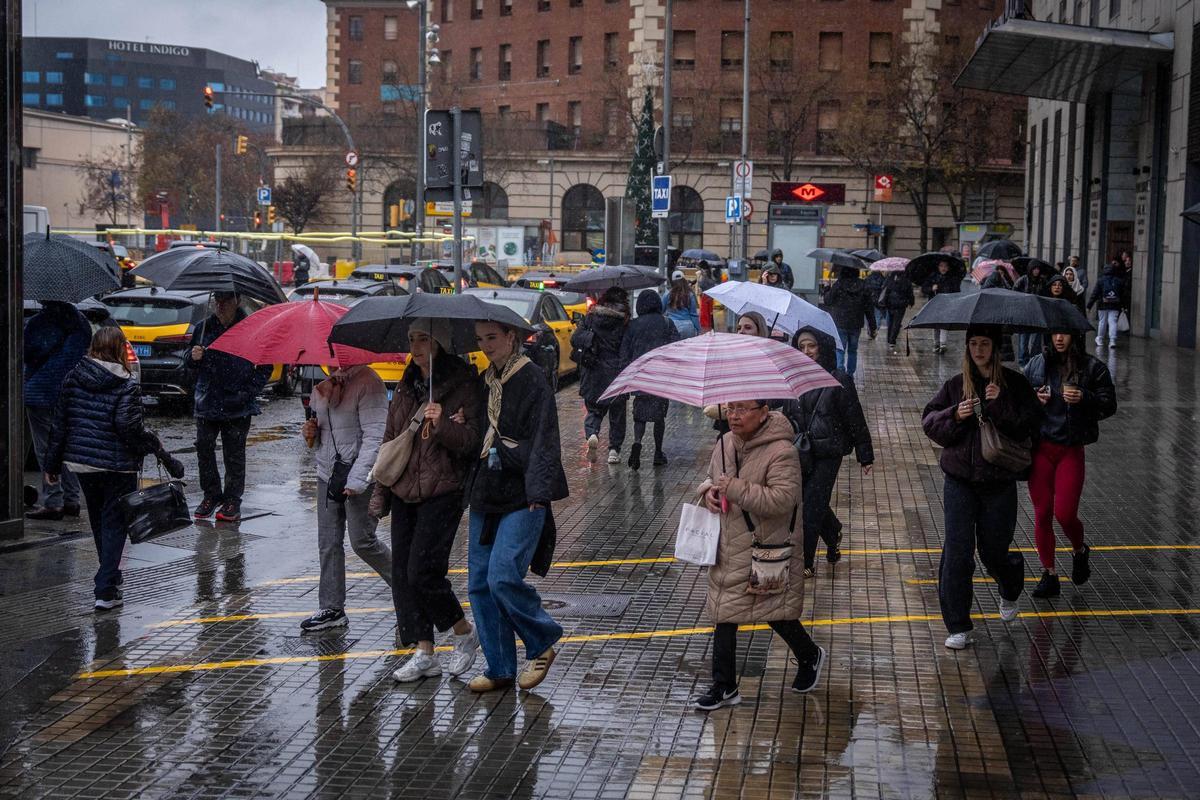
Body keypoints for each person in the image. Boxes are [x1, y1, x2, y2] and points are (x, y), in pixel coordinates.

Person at [692, 399, 824, 711]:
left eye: (743, 409)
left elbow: (783, 499)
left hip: (766, 545)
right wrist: (709, 492)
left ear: (764, 413)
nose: (735, 416)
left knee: (774, 612)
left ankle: (809, 655)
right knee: (725, 612)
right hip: (729, 543)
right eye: (731, 409)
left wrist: (734, 488)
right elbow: (712, 480)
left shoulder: (782, 451)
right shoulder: (724, 442)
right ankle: (725, 686)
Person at [372, 322, 485, 681]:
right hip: (405, 488)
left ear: (439, 344)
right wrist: (381, 493)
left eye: (423, 339)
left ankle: (464, 632)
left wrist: (442, 426)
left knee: (424, 570)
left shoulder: (464, 383)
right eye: (411, 340)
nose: (416, 347)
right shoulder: (406, 385)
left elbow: (472, 442)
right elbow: (391, 439)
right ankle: (424, 651)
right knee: (403, 574)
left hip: (443, 489)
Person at [921, 326, 1042, 649]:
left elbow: (1029, 426)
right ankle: (958, 625)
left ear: (995, 348)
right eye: (973, 344)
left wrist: (1000, 405)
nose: (978, 350)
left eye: (984, 344)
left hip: (998, 482)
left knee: (994, 551)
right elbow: (930, 424)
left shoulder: (1014, 384)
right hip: (959, 481)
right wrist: (955, 415)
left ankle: (1009, 584)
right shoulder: (956, 386)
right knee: (958, 552)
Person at [466, 320, 569, 693]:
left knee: (502, 576)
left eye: (491, 338)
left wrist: (538, 494)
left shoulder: (532, 379)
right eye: (480, 340)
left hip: (523, 493)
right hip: (486, 490)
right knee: (479, 584)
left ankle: (542, 640)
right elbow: (475, 437)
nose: (486, 346)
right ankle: (499, 667)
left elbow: (545, 440)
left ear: (511, 338)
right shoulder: (484, 382)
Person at [44, 328, 176, 610]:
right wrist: (152, 443)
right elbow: (129, 428)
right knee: (114, 524)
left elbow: (60, 424)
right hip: (116, 466)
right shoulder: (125, 382)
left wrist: (52, 465)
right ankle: (104, 589)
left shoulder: (73, 377)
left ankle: (111, 578)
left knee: (98, 520)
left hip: (82, 463)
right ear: (119, 349)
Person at [298, 362, 392, 633]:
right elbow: (325, 437)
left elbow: (375, 437)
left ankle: (406, 589)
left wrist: (357, 480)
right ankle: (331, 607)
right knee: (328, 542)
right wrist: (311, 434)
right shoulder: (325, 384)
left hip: (359, 476)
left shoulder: (368, 382)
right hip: (328, 474)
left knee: (362, 541)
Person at [1023, 331, 1116, 598]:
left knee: (1064, 514)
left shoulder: (1092, 367)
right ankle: (1049, 573)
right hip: (1041, 448)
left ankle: (1079, 550)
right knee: (1042, 513)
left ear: (1075, 336)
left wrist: (1084, 397)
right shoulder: (1037, 364)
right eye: (1054, 333)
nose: (1059, 338)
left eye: (1064, 333)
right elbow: (1018, 397)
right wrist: (1033, 397)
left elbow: (1109, 404)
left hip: (1071, 450)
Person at [783, 328, 874, 577]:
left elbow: (854, 417)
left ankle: (806, 562)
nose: (806, 352)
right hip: (801, 451)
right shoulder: (793, 377)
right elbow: (787, 415)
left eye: (811, 346)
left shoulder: (839, 378)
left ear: (822, 346)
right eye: (801, 346)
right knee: (805, 500)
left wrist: (865, 455)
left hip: (828, 452)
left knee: (811, 506)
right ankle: (832, 532)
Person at [188, 292, 272, 522]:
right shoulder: (204, 327)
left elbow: (265, 366)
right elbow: (188, 362)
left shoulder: (251, 328)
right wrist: (192, 356)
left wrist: (246, 393)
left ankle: (232, 499)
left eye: (225, 300)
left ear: (237, 301)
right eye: (217, 299)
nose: (220, 304)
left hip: (237, 404)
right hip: (208, 400)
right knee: (204, 448)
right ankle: (211, 494)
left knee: (234, 454)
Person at [23, 300, 91, 520]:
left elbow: (26, 352)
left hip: (41, 391)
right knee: (65, 447)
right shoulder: (81, 323)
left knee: (46, 449)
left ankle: (53, 501)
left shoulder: (39, 323)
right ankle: (72, 500)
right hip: (69, 391)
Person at [619, 291, 680, 469]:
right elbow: (676, 347)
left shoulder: (633, 325)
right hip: (661, 376)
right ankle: (658, 452)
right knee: (659, 416)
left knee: (639, 415)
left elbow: (625, 351)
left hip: (640, 375)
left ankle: (637, 442)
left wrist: (626, 374)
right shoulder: (667, 323)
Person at [572, 286, 629, 464]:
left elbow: (575, 339)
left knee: (594, 411)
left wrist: (591, 339)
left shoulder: (591, 318)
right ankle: (614, 450)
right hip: (617, 372)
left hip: (593, 371)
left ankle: (592, 434)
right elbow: (627, 348)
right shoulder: (625, 323)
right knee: (617, 414)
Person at [821, 266, 878, 373]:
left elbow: (828, 301)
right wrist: (873, 326)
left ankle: (840, 373)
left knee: (840, 349)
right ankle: (850, 375)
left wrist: (827, 288)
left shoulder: (839, 284)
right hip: (856, 324)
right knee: (853, 351)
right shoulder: (863, 285)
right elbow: (869, 308)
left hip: (840, 322)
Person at [920, 260, 963, 354]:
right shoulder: (932, 277)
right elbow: (924, 289)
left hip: (947, 303)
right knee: (936, 324)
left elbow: (956, 291)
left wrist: (954, 300)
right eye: (941, 266)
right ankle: (936, 343)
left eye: (945, 266)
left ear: (948, 268)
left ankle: (943, 343)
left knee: (944, 323)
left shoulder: (952, 278)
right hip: (934, 304)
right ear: (938, 267)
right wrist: (931, 288)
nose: (943, 268)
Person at [1014, 262, 1052, 366]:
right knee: (1023, 340)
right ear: (1030, 269)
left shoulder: (1043, 281)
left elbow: (1047, 294)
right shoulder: (1023, 280)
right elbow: (1014, 292)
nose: (1036, 271)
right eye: (1034, 269)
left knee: (1036, 340)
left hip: (1038, 313)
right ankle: (1023, 361)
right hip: (1024, 313)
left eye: (1038, 269)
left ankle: (1034, 362)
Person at [1087, 261, 1126, 350]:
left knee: (1102, 322)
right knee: (1113, 322)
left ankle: (1100, 339)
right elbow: (1123, 295)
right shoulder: (1119, 281)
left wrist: (1089, 305)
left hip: (1102, 305)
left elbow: (1095, 294)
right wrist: (1123, 305)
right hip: (1115, 305)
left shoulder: (1100, 280)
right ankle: (1112, 341)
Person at [877, 271, 914, 353]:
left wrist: (885, 302)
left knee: (890, 321)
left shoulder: (890, 278)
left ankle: (890, 338)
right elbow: (910, 292)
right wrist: (911, 302)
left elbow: (885, 289)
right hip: (901, 305)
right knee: (896, 323)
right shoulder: (906, 280)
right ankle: (892, 340)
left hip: (891, 304)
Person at [662, 271, 701, 338]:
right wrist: (698, 330)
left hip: (673, 326)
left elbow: (661, 310)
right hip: (688, 327)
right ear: (684, 280)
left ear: (672, 282)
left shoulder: (667, 294)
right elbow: (693, 315)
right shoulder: (690, 295)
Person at [697, 260, 719, 332]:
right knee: (709, 313)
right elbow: (713, 282)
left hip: (705, 296)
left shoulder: (704, 274)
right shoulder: (710, 272)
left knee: (704, 314)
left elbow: (702, 284)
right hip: (710, 296)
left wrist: (698, 278)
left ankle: (705, 329)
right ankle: (710, 327)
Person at [864, 268, 887, 336]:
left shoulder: (868, 278)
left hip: (869, 301)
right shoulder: (883, 279)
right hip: (878, 301)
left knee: (869, 317)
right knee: (877, 316)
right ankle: (874, 331)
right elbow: (884, 291)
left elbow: (865, 289)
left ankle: (870, 330)